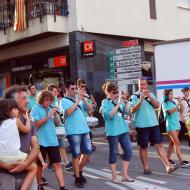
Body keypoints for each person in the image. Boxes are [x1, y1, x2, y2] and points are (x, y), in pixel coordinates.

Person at [130, 79, 178, 174]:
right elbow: (132, 110)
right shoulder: (134, 96)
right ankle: (146, 168)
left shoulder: (151, 94)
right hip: (141, 125)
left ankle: (168, 166)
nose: (142, 86)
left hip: (154, 124)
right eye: (140, 84)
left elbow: (157, 106)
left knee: (159, 145)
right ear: (138, 85)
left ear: (147, 85)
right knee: (144, 147)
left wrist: (150, 98)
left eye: (144, 84)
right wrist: (141, 99)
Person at [0, 85, 39, 190]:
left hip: (27, 176)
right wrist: (5, 166)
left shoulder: (30, 122)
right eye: (23, 98)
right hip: (4, 176)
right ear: (11, 102)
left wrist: (25, 164)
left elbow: (35, 148)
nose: (27, 101)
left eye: (27, 98)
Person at [31, 90, 68, 190]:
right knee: (39, 166)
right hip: (41, 141)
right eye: (47, 100)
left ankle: (62, 187)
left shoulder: (51, 108)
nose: (49, 102)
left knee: (57, 164)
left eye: (50, 100)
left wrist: (55, 115)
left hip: (52, 141)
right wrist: (48, 116)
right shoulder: (36, 108)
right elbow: (36, 125)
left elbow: (57, 123)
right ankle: (39, 185)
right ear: (41, 99)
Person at [100, 82, 134, 183]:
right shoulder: (105, 102)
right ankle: (114, 176)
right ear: (108, 92)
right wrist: (119, 103)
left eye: (117, 92)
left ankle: (125, 175)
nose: (116, 94)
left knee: (128, 151)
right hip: (112, 131)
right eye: (114, 92)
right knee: (113, 153)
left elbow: (127, 112)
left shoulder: (119, 100)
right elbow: (109, 115)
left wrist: (127, 102)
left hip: (123, 129)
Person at [60, 81, 92, 188]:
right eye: (73, 89)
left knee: (87, 152)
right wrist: (77, 101)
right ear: (67, 89)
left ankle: (79, 171)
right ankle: (78, 178)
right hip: (73, 131)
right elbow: (68, 113)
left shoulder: (78, 99)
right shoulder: (63, 101)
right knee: (76, 155)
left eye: (75, 88)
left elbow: (89, 109)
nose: (75, 90)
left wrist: (83, 100)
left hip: (84, 129)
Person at [162, 89, 190, 167]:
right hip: (171, 126)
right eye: (170, 94)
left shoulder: (173, 102)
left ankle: (168, 158)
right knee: (177, 142)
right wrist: (177, 107)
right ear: (166, 95)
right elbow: (169, 112)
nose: (172, 95)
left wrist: (180, 102)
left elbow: (181, 110)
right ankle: (181, 160)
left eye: (172, 94)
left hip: (176, 125)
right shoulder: (164, 103)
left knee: (172, 143)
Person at [47, 84, 72, 171]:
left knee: (60, 145)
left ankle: (65, 163)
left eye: (57, 91)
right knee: (51, 146)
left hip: (59, 126)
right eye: (55, 91)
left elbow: (60, 113)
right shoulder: (47, 102)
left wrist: (63, 121)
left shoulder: (57, 101)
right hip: (50, 127)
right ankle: (53, 163)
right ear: (49, 92)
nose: (57, 93)